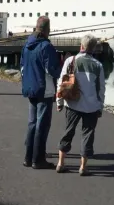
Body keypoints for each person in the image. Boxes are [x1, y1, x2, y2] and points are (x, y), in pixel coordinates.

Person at [55, 35, 106, 175]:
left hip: (72, 103)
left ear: (81, 46)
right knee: (87, 135)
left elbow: (61, 82)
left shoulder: (70, 61)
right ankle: (83, 167)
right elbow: (101, 89)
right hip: (91, 106)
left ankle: (60, 163)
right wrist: (100, 107)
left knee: (68, 131)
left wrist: (59, 101)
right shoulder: (98, 65)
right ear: (93, 49)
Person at [20, 16, 60, 169]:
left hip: (30, 88)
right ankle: (38, 159)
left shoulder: (27, 45)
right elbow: (52, 69)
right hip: (44, 89)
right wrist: (62, 67)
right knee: (42, 125)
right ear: (47, 29)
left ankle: (28, 158)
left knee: (32, 123)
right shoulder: (46, 46)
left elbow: (22, 66)